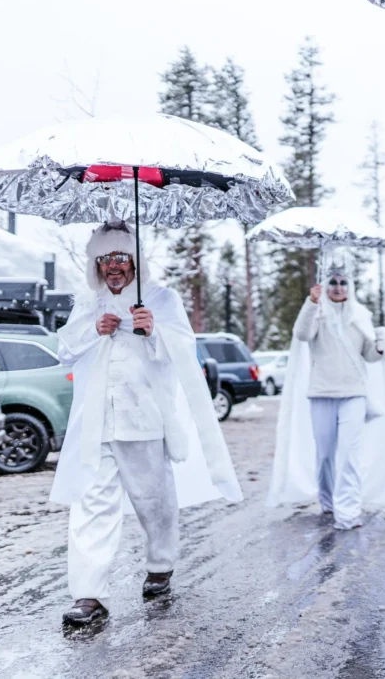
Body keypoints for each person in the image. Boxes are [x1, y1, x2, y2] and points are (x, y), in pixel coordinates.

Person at [54, 223, 243, 626]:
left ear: (134, 260)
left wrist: (153, 331)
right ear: (97, 264)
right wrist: (94, 329)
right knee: (91, 504)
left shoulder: (162, 298)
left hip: (144, 419)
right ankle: (89, 595)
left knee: (153, 501)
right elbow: (65, 350)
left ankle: (160, 565)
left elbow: (183, 349)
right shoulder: (88, 303)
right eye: (105, 259)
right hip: (96, 421)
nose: (113, 267)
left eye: (121, 257)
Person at [268, 263, 385, 528]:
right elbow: (301, 334)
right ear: (326, 286)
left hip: (354, 394)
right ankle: (328, 502)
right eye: (333, 282)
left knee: (349, 453)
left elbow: (369, 355)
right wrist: (311, 302)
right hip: (321, 393)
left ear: (350, 287)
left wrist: (381, 343)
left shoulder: (359, 315)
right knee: (325, 455)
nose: (338, 287)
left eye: (343, 283)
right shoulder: (317, 312)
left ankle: (349, 511)